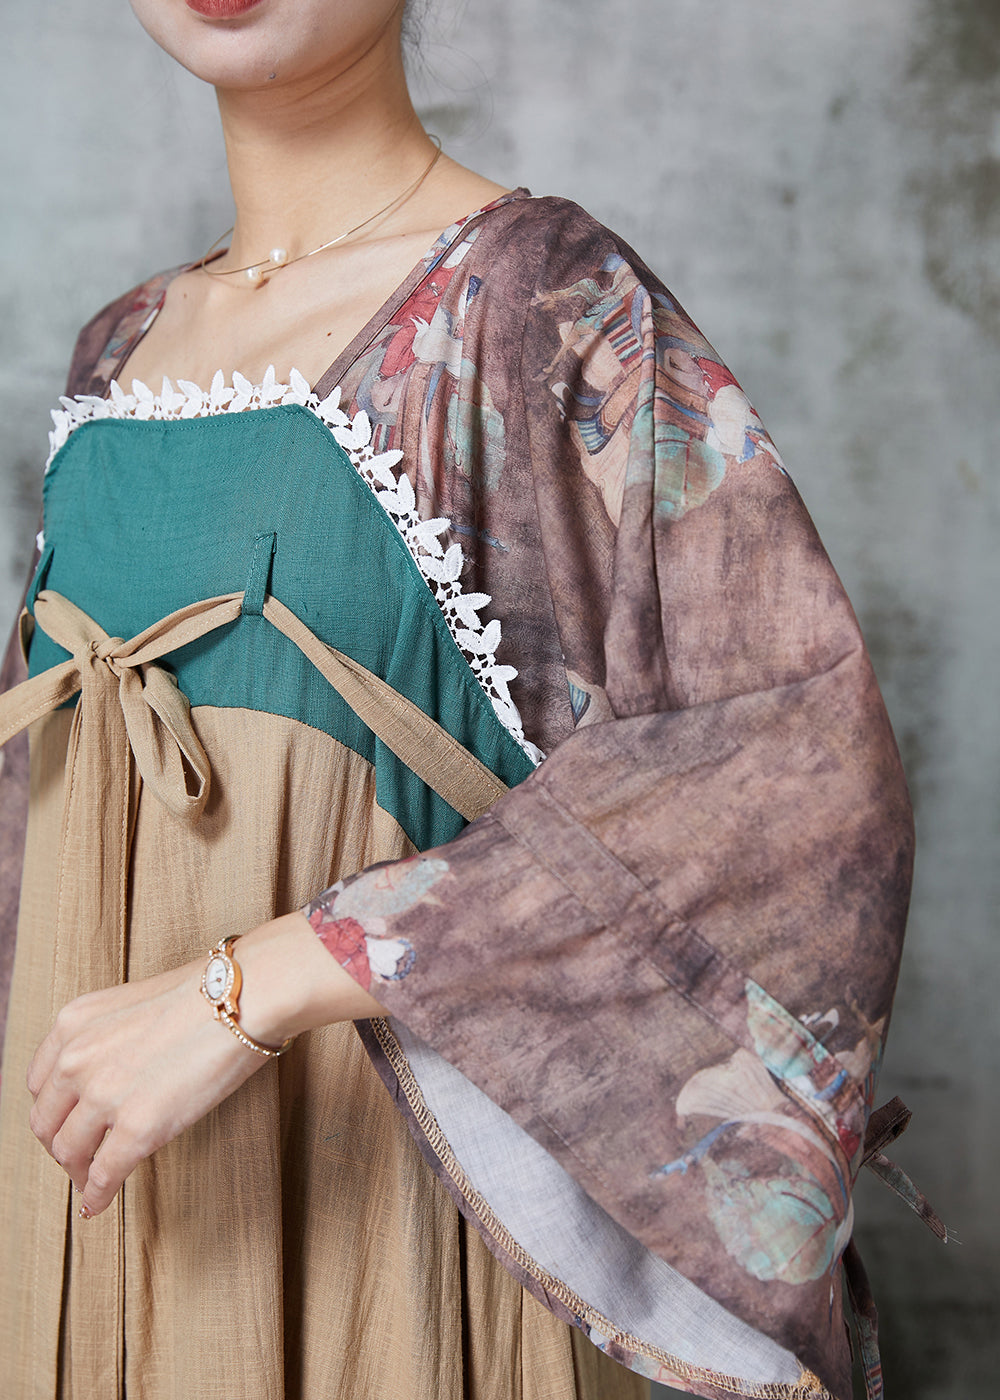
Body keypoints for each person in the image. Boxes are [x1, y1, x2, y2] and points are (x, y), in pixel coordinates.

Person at [0, 2, 918, 1397]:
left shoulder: (543, 299)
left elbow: (791, 763)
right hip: (94, 1219)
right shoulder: (118, 347)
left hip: (385, 1229)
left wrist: (267, 978)